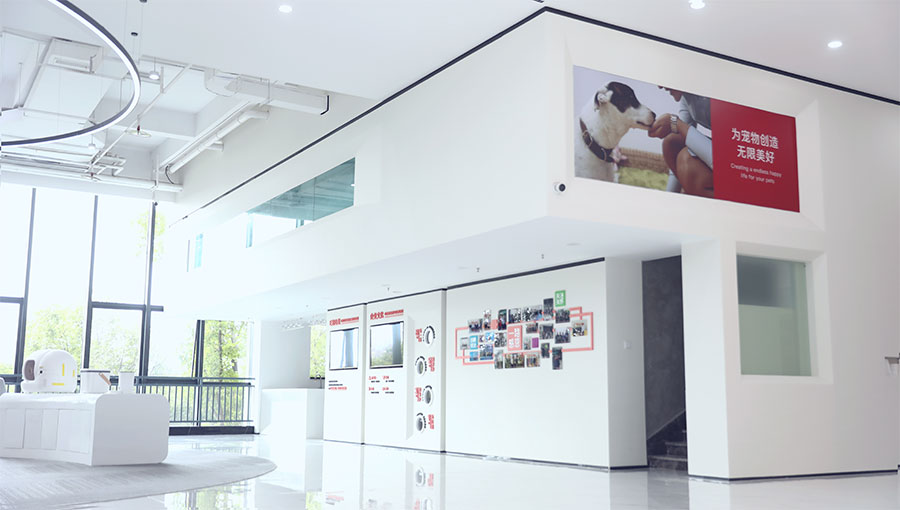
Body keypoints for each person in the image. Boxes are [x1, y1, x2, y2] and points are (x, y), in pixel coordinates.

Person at [648, 87, 714, 197]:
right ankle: (685, 195)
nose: (660, 86)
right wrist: (670, 197)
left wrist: (676, 123)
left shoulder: (717, 95)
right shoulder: (687, 98)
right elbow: (679, 141)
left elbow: (719, 162)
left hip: (738, 167)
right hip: (722, 157)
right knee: (671, 141)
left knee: (687, 161)